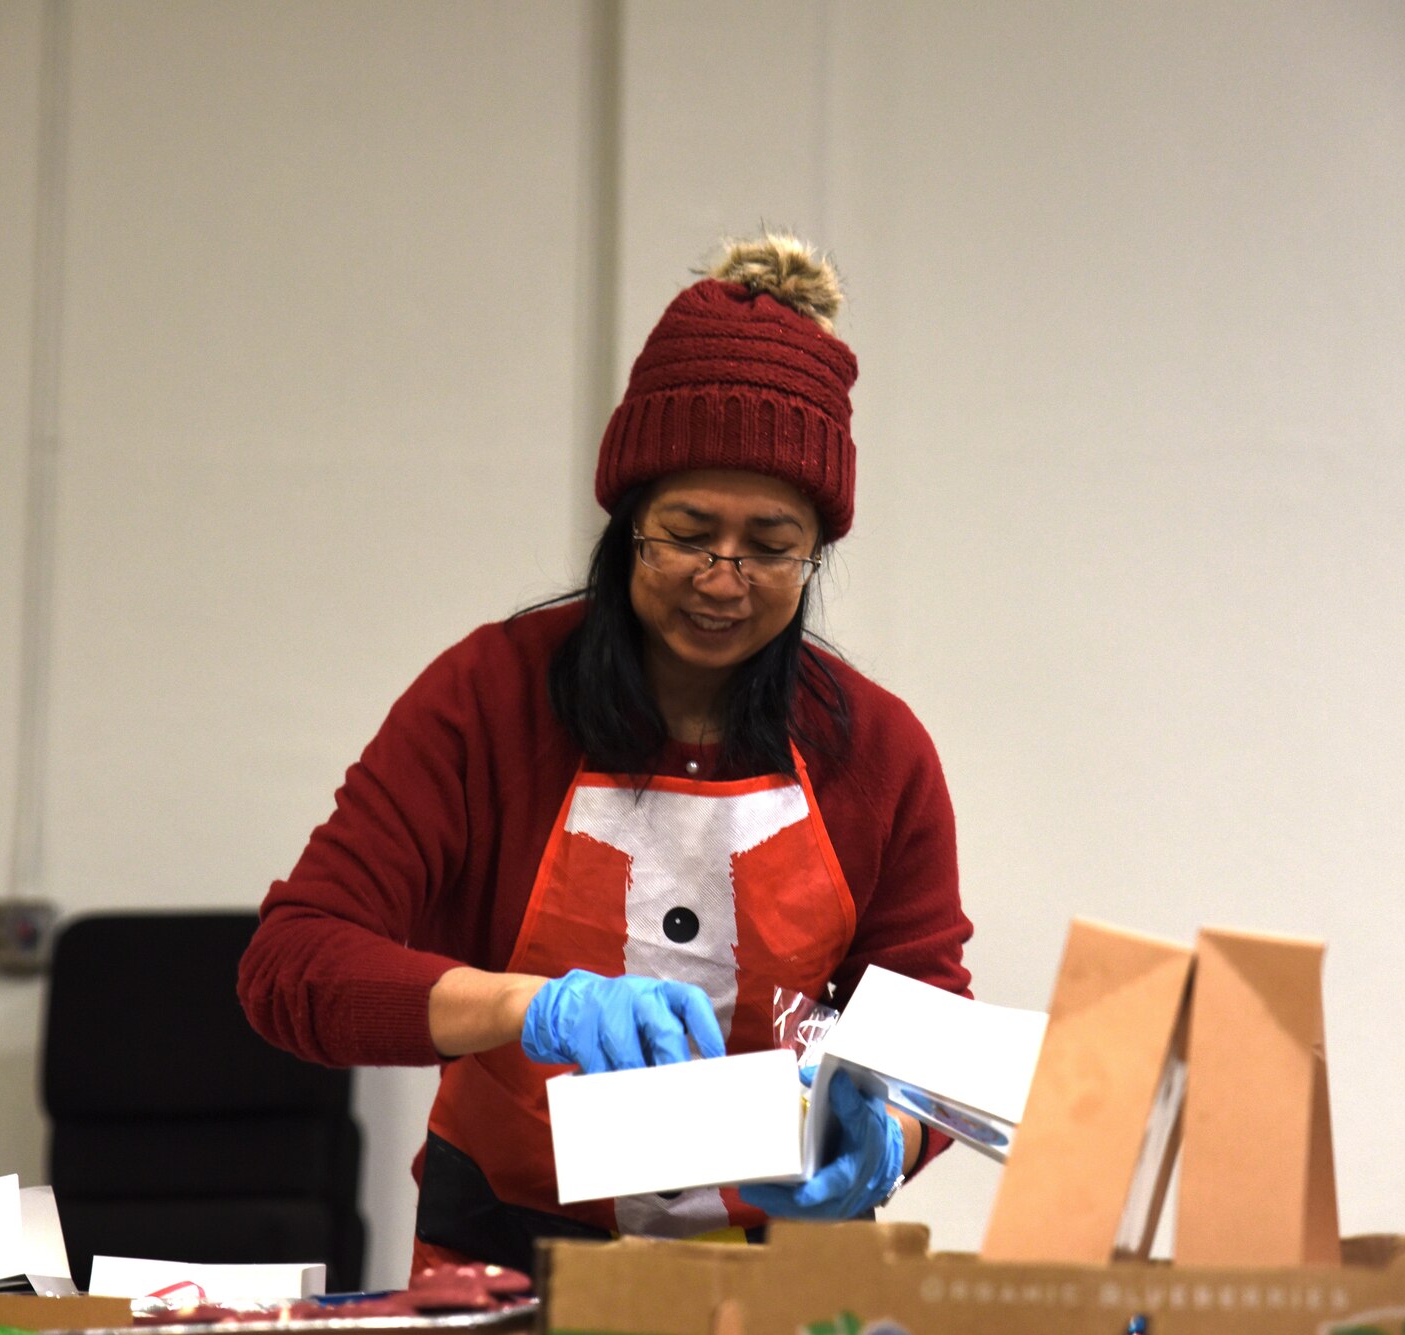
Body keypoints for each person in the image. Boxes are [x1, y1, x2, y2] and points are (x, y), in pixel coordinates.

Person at [238, 233, 974, 1278]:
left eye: (769, 546)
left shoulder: (876, 746)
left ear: (815, 553)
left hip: (786, 1273)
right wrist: (528, 1006)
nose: (722, 578)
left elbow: (923, 1004)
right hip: (507, 1258)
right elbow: (293, 967)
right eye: (685, 531)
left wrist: (888, 1135)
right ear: (626, 518)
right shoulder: (488, 700)